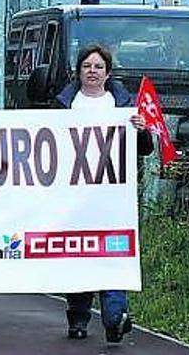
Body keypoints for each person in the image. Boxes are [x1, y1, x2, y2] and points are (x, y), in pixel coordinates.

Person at [52, 44, 152, 344]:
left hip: (112, 198)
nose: (92, 71)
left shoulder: (122, 105)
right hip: (74, 196)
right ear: (78, 71)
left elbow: (144, 149)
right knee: (78, 255)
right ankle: (78, 317)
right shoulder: (64, 105)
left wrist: (141, 129)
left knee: (112, 252)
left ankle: (115, 316)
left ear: (108, 73)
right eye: (87, 66)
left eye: (98, 67)